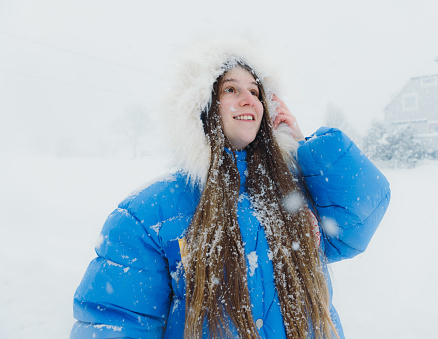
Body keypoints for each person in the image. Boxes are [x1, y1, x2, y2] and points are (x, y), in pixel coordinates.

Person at [70, 39, 391, 339]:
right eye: (231, 88)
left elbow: (357, 221)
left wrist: (303, 144)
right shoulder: (148, 214)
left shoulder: (291, 192)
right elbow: (117, 323)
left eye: (256, 91)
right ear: (203, 105)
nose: (249, 98)